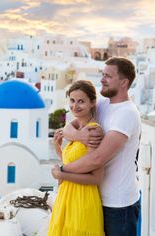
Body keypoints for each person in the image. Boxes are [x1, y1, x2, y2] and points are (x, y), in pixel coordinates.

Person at [52, 57, 141, 236]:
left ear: (123, 82)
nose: (102, 79)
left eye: (108, 76)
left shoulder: (127, 114)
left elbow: (97, 158)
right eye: (102, 74)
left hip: (119, 204)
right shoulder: (103, 104)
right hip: (96, 197)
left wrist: (62, 171)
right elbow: (69, 125)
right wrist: (78, 135)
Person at [48, 80, 105, 236]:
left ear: (92, 102)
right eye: (72, 100)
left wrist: (61, 174)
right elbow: (76, 164)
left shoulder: (93, 132)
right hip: (66, 197)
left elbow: (96, 178)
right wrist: (58, 149)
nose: (75, 106)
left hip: (82, 199)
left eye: (81, 101)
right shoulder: (75, 129)